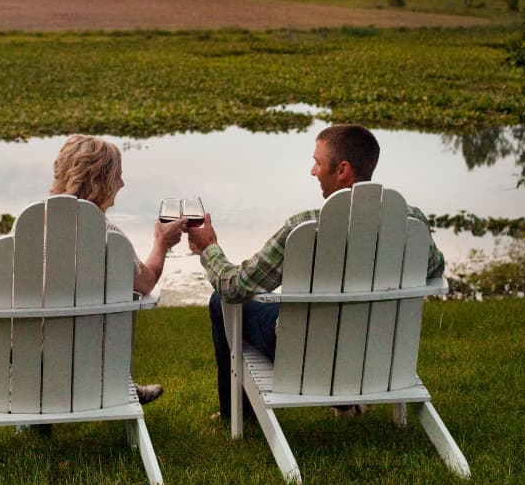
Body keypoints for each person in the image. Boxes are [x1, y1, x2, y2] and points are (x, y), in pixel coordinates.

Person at [187, 123, 445, 421]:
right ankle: (346, 401)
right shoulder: (410, 221)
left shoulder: (305, 228)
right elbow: (435, 269)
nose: (312, 171)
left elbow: (233, 287)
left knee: (221, 302)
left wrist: (209, 249)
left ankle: (238, 415)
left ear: (342, 170)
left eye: (318, 162)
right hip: (382, 356)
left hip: (307, 358)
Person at [51, 133, 185, 405]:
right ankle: (115, 381)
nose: (122, 184)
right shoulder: (108, 234)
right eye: (118, 176)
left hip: (22, 364)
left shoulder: (26, 227)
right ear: (101, 181)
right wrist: (162, 243)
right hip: (85, 364)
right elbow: (145, 284)